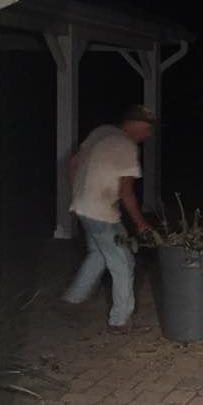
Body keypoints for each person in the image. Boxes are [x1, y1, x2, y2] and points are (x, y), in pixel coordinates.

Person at [63, 105, 155, 332]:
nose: (148, 135)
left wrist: (78, 193)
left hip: (84, 207)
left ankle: (73, 298)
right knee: (123, 262)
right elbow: (126, 193)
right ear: (134, 124)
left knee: (99, 254)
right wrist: (142, 225)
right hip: (102, 213)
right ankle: (120, 320)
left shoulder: (102, 131)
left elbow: (74, 162)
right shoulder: (127, 147)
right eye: (147, 129)